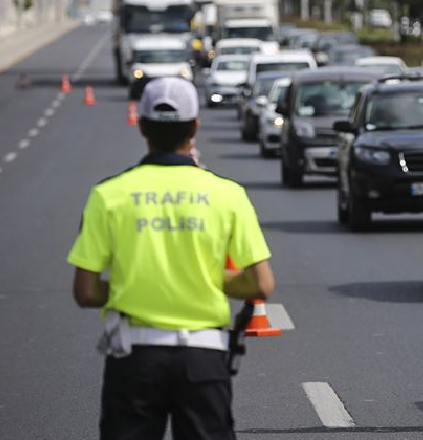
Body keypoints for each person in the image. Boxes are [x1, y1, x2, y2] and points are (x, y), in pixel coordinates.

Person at [68, 77, 275, 440]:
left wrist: (135, 286)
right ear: (195, 126)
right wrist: (209, 281)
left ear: (143, 126)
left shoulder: (109, 195)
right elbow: (261, 284)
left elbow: (85, 292)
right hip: (203, 359)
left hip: (133, 358)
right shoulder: (227, 195)